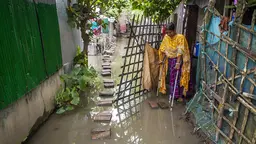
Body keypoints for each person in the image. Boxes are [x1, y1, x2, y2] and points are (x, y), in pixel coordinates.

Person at [158, 22, 191, 102]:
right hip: (170, 59)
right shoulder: (166, 37)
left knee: (179, 76)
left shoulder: (180, 37)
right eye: (167, 32)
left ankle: (179, 96)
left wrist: (178, 63)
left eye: (170, 32)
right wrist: (161, 59)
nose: (168, 34)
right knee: (172, 77)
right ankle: (173, 94)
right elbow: (163, 48)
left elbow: (180, 50)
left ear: (174, 30)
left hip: (180, 59)